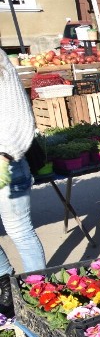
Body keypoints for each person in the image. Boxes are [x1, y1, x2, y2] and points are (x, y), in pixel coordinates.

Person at [0, 49, 46, 315]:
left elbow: (20, 117)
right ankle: (7, 285)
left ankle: (38, 291)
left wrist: (5, 155)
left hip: (6, 162)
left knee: (18, 229)